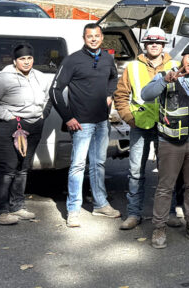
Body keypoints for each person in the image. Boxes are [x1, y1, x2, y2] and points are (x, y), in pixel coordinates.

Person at [140, 42, 189, 248]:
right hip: (169, 142)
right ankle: (159, 228)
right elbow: (145, 95)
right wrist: (164, 81)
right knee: (165, 187)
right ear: (184, 57)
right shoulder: (166, 75)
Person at [50, 23, 120, 228]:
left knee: (98, 164)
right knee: (78, 166)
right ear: (84, 38)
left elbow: (114, 78)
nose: (93, 39)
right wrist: (67, 117)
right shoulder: (72, 60)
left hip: (101, 122)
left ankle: (100, 204)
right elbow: (55, 90)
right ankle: (73, 210)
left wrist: (109, 95)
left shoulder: (107, 58)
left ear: (102, 37)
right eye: (90, 36)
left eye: (97, 36)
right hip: (81, 123)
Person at [112, 28, 179, 231]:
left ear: (164, 45)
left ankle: (170, 213)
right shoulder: (132, 67)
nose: (154, 45)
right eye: (150, 42)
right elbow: (121, 95)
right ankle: (134, 213)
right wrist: (128, 117)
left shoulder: (175, 66)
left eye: (158, 42)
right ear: (145, 44)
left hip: (166, 127)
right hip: (139, 125)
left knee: (167, 172)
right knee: (135, 172)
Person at [0, 43, 47, 226]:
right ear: (15, 61)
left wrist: (43, 114)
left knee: (23, 168)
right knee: (8, 168)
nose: (26, 62)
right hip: (10, 127)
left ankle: (17, 206)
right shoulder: (4, 78)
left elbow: (47, 98)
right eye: (22, 59)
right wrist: (8, 117)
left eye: (29, 58)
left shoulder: (40, 77)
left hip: (33, 127)